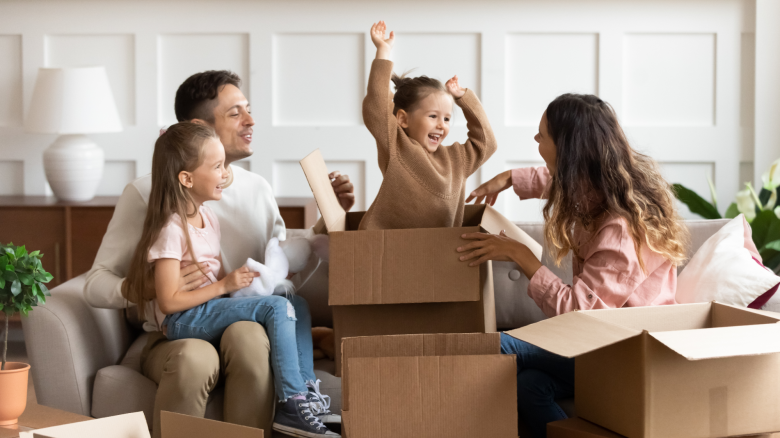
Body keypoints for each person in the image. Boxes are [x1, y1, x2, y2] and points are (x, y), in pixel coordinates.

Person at [84, 70, 355, 438]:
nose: (251, 121)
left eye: (249, 109)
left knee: (250, 340)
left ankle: (298, 407)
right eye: (235, 113)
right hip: (177, 329)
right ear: (200, 127)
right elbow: (94, 284)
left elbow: (282, 270)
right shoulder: (149, 193)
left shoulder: (256, 189)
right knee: (196, 358)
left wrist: (327, 219)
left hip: (242, 320)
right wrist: (149, 286)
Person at [457, 93, 690, 438]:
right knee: (531, 385)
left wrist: (521, 256)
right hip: (604, 344)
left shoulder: (621, 230)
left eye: (542, 136)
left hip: (628, 354)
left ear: (569, 149)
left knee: (500, 346)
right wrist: (510, 178)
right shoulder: (601, 188)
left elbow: (580, 313)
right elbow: (562, 181)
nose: (535, 141)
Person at [123, 122, 337, 437]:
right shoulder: (171, 229)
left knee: (295, 303)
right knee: (276, 308)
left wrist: (246, 284)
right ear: (187, 178)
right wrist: (225, 287)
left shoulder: (207, 217)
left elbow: (216, 275)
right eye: (218, 166)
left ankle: (309, 398)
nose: (226, 173)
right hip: (182, 319)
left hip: (208, 307)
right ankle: (292, 405)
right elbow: (168, 301)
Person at [358, 20, 496, 230]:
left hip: (435, 252)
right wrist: (383, 52)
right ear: (403, 119)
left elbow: (486, 144)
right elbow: (377, 107)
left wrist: (464, 98)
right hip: (384, 248)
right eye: (433, 116)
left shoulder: (457, 160)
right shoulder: (396, 146)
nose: (441, 125)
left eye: (447, 119)